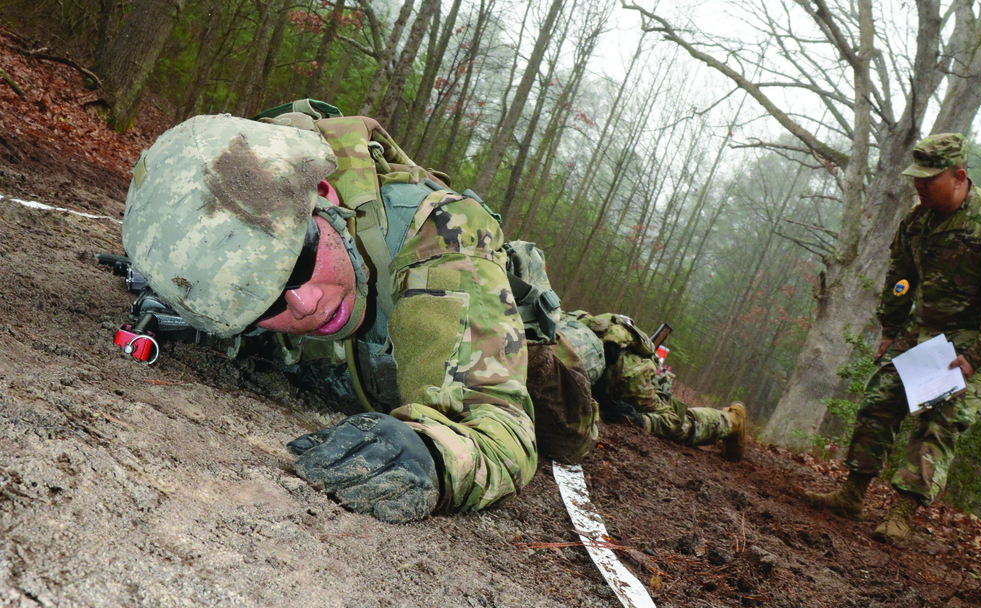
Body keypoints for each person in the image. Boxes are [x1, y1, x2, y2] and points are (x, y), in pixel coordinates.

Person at [120, 105, 747, 523]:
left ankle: (727, 419)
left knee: (621, 410)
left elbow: (500, 430)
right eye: (262, 301)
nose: (303, 304)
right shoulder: (270, 221)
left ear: (326, 198)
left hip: (546, 352)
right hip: (465, 312)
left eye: (299, 265)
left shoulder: (437, 238)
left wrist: (432, 455)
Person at [808, 133, 981, 543]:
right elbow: (900, 279)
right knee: (880, 399)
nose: (919, 186)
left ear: (959, 176)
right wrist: (891, 330)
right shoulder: (917, 223)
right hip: (922, 330)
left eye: (929, 179)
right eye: (916, 177)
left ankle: (901, 513)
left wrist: (976, 356)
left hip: (971, 339)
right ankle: (852, 493)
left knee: (939, 421)